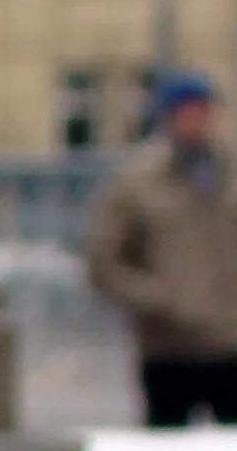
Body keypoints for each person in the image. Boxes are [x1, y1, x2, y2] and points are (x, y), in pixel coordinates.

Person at [87, 70, 237, 428]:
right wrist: (158, 299)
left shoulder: (230, 175)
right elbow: (104, 263)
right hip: (170, 348)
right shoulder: (137, 184)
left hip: (230, 344)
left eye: (204, 110)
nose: (198, 120)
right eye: (188, 111)